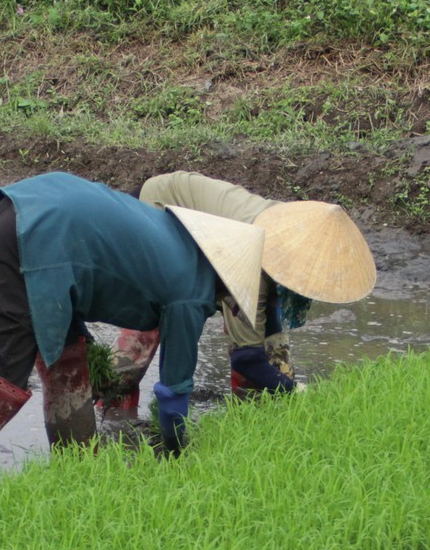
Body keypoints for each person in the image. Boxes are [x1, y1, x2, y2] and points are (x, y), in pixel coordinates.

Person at [0, 172, 268, 478]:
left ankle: (77, 471)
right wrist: (176, 456)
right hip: (38, 233)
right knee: (6, 367)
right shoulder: (191, 293)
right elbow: (174, 392)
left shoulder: (179, 242)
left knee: (68, 356)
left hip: (29, 210)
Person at [103, 171, 376, 419]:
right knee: (157, 315)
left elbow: (268, 319)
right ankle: (114, 413)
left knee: (262, 340)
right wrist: (296, 390)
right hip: (162, 210)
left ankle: (253, 420)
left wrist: (282, 377)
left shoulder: (294, 231)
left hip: (211, 218)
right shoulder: (249, 261)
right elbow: (246, 358)